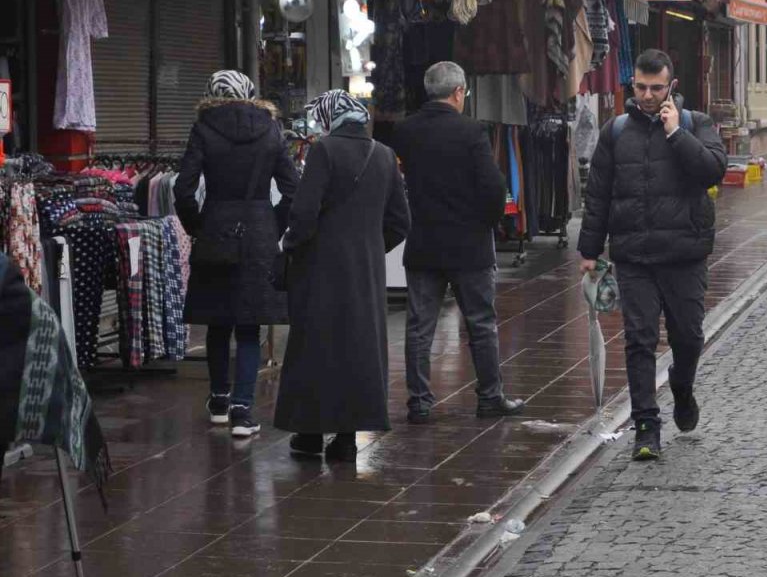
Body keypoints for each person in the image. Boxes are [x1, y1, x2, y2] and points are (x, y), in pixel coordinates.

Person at [579, 49, 727, 461]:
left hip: (685, 254)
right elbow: (598, 194)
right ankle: (646, 425)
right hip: (635, 256)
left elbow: (713, 170)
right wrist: (589, 249)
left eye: (656, 88)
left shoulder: (696, 123)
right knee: (639, 340)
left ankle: (682, 385)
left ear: (671, 86)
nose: (647, 95)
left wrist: (677, 134)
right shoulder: (616, 131)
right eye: (641, 87)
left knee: (688, 337)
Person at [274, 90, 410, 461]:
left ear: (328, 117)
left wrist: (290, 246)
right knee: (357, 348)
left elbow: (304, 213)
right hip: (366, 272)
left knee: (316, 347)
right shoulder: (384, 155)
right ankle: (346, 438)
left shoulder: (324, 151)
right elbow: (400, 221)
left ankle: (309, 434)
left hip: (321, 268)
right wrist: (370, 248)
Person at [392, 61, 524, 423]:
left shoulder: (405, 131)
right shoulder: (471, 131)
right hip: (469, 244)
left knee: (420, 328)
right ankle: (489, 397)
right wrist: (488, 221)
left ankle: (419, 403)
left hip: (424, 242)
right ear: (458, 92)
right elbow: (493, 185)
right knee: (480, 323)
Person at [175, 71, 297, 438]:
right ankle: (243, 410)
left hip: (216, 227)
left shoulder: (203, 128)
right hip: (259, 231)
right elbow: (293, 189)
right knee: (249, 324)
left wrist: (198, 226)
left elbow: (183, 189)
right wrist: (273, 223)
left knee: (217, 320)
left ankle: (218, 400)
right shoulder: (271, 129)